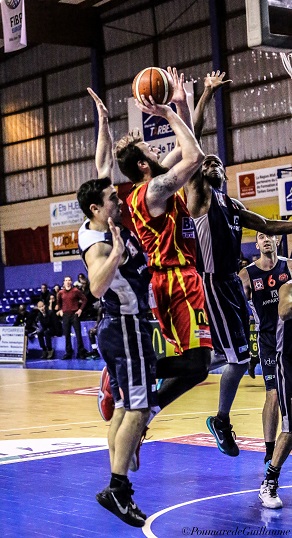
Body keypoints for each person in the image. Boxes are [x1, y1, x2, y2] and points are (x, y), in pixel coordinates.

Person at [183, 70, 292, 457]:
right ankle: (221, 419)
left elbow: (268, 224)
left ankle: (215, 408)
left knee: (235, 356)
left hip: (229, 284)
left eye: (216, 161)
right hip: (214, 281)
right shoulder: (201, 198)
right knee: (239, 357)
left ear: (224, 175)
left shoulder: (233, 205)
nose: (210, 161)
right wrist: (207, 93)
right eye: (206, 161)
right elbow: (192, 142)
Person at [114, 67, 212, 414]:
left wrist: (181, 103)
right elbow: (195, 157)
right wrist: (167, 112)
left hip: (180, 278)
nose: (158, 152)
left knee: (198, 367)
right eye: (150, 151)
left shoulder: (154, 181)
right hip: (174, 279)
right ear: (143, 165)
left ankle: (147, 410)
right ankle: (122, 375)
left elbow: (191, 144)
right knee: (198, 364)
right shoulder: (153, 191)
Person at [77, 177, 158, 527]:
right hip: (125, 326)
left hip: (120, 326)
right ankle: (118, 488)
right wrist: (118, 254)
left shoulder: (98, 222)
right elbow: (96, 286)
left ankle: (116, 481)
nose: (119, 201)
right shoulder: (99, 244)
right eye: (112, 199)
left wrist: (104, 123)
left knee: (125, 407)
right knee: (139, 409)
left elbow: (103, 164)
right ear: (96, 209)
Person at [239, 233, 292, 466]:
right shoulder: (247, 275)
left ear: (277, 241)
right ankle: (269, 450)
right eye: (261, 237)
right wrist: (248, 350)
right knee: (273, 393)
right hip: (268, 340)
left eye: (270, 235)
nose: (266, 240)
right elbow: (240, 312)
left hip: (290, 337)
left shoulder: (289, 266)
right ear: (257, 243)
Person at [258, 278, 292, 509]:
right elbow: (284, 311)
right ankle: (269, 481)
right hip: (288, 362)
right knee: (290, 427)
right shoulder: (287, 287)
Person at [56, 276, 89, 359]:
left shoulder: (76, 291)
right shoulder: (61, 292)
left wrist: (80, 310)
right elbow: (59, 302)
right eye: (66, 280)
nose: (67, 282)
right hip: (66, 315)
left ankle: (81, 352)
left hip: (74, 314)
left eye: (69, 280)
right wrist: (60, 310)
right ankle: (68, 352)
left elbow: (84, 300)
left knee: (78, 334)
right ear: (64, 282)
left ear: (71, 282)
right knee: (67, 335)